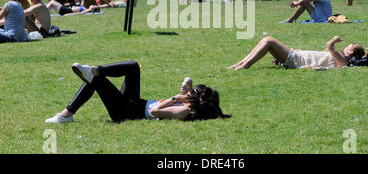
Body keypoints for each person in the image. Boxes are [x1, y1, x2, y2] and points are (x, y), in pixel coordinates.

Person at [45, 61, 230, 123]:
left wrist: (175, 98)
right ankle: (96, 70)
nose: (189, 92)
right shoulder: (188, 102)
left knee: (96, 81)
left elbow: (155, 111)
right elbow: (188, 80)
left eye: (192, 93)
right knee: (133, 67)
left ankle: (66, 114)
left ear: (196, 101)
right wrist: (187, 87)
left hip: (127, 112)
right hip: (134, 103)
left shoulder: (183, 111)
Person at [229, 36, 368, 70]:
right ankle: (241, 63)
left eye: (348, 47)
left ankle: (244, 65)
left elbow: (328, 46)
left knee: (268, 41)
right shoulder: (337, 56)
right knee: (266, 40)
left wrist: (333, 41)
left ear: (351, 53)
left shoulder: (343, 61)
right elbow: (326, 50)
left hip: (297, 60)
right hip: (296, 56)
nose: (345, 47)